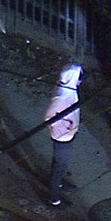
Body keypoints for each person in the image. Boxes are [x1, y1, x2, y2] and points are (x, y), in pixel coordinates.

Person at [44, 63, 84, 207]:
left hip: (66, 135)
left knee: (59, 163)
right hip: (62, 137)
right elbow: (49, 118)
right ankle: (54, 198)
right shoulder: (62, 96)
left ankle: (59, 182)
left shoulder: (68, 90)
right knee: (59, 165)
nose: (80, 82)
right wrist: (65, 125)